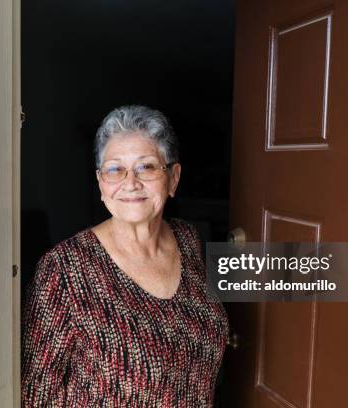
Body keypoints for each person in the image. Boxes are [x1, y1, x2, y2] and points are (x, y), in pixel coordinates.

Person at [21, 105, 229, 407]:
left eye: (146, 167)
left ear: (173, 178)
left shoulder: (187, 238)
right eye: (115, 169)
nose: (130, 183)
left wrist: (316, 271)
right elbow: (35, 396)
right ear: (101, 183)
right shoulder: (64, 269)